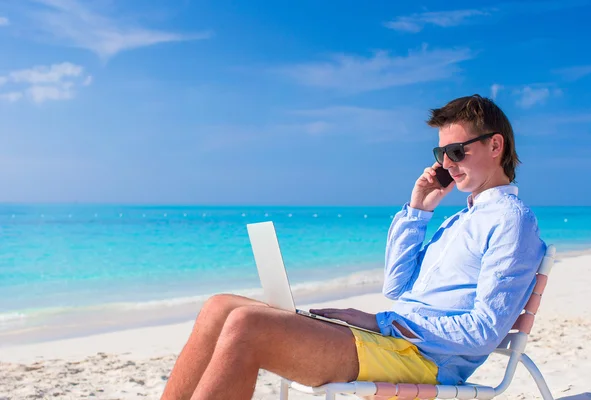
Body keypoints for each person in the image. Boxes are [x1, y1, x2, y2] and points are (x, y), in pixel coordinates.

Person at [160, 94, 546, 400]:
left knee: (247, 325)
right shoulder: (461, 219)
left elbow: (484, 332)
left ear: (495, 145)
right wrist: (418, 211)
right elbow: (396, 288)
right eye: (440, 154)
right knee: (219, 307)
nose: (446, 163)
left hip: (423, 362)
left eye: (457, 151)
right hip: (394, 342)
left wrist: (382, 323)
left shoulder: (511, 220)